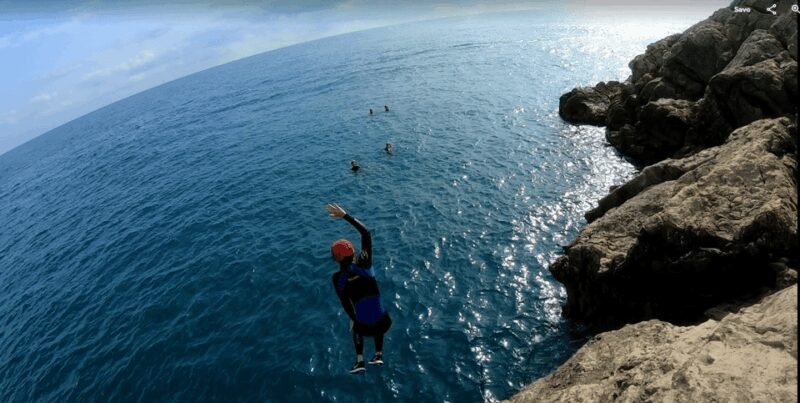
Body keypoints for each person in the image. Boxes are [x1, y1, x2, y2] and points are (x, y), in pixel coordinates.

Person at [326, 203, 392, 374]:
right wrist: (344, 215)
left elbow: (346, 303)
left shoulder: (337, 278)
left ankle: (360, 360)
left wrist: (353, 318)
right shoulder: (365, 264)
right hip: (383, 322)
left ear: (336, 258)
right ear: (353, 252)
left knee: (356, 327)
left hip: (363, 325)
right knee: (378, 313)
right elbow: (366, 233)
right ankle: (378, 354)